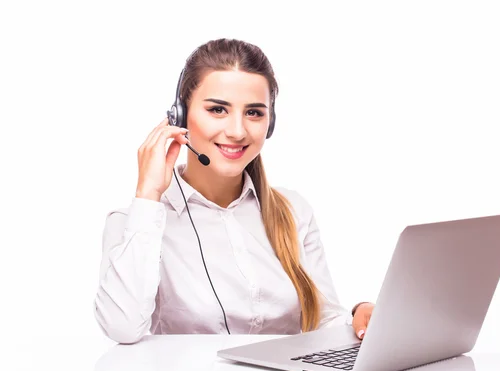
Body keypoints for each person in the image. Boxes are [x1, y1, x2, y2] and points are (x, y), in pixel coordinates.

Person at [93, 38, 375, 345]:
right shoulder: (134, 223)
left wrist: (358, 316)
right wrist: (147, 194)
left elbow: (323, 321)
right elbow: (122, 328)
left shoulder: (293, 211)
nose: (238, 131)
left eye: (254, 113)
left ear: (270, 123)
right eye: (218, 109)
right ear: (180, 115)